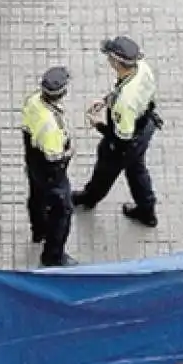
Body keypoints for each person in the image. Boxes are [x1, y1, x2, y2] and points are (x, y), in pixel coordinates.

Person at [72, 36, 163, 227]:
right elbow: (125, 89)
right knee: (137, 170)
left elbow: (122, 140)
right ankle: (147, 211)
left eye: (110, 58)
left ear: (117, 62)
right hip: (145, 126)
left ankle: (90, 198)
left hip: (127, 140)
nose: (108, 61)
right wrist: (107, 100)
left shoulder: (124, 104)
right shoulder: (142, 68)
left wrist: (99, 126)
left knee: (105, 170)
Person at [22, 66, 76, 267]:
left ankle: (38, 231)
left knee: (37, 196)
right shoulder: (51, 126)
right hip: (51, 171)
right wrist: (69, 152)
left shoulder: (33, 100)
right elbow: (54, 157)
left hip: (33, 159)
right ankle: (53, 255)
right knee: (63, 211)